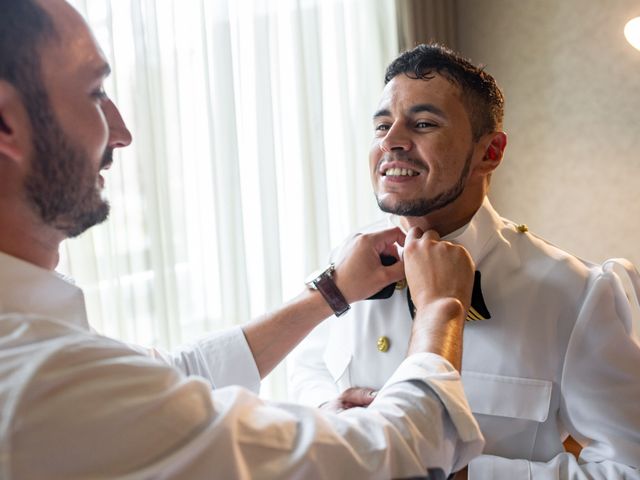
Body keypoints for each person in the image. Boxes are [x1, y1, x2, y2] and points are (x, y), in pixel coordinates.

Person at [0, 1, 487, 478]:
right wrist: (441, 309)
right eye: (94, 93)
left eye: (423, 124)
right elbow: (396, 457)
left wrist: (328, 292)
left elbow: (172, 375)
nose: (122, 133)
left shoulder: (37, 337)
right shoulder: (37, 380)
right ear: (7, 124)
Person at [288, 44, 640, 479]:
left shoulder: (577, 293)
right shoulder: (349, 261)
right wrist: (325, 409)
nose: (391, 141)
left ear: (489, 152)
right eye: (382, 125)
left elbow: (628, 467)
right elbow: (308, 364)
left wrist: (467, 474)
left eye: (422, 124)